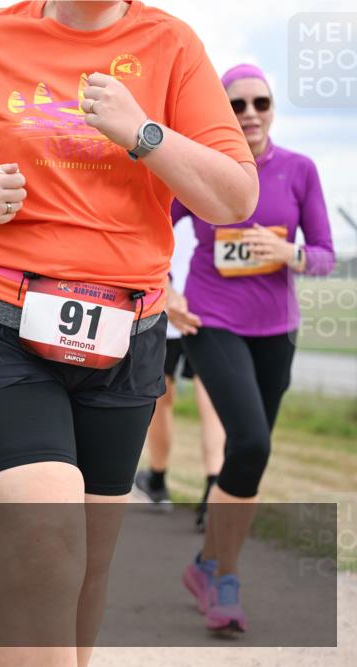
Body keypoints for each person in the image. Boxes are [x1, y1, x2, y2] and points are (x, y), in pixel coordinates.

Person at [0, 1, 259, 663]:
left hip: (127, 335)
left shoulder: (170, 44)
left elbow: (234, 198)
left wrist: (143, 132)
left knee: (84, 566)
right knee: (44, 542)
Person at [170, 63, 335, 634]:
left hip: (277, 331)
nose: (249, 115)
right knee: (252, 440)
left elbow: (324, 254)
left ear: (271, 108)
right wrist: (163, 291)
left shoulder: (299, 170)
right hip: (211, 320)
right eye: (236, 105)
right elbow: (148, 224)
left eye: (259, 103)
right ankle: (226, 576)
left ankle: (204, 564)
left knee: (250, 456)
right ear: (221, 112)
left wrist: (286, 253)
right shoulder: (203, 169)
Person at [133, 226, 225, 530]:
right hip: (209, 302)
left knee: (161, 396)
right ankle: (214, 484)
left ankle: (157, 479)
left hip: (166, 298)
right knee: (210, 395)